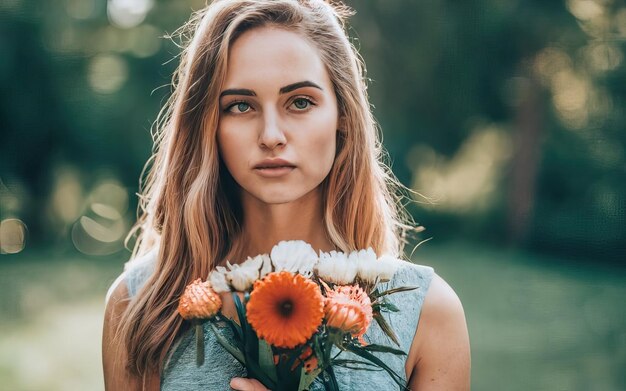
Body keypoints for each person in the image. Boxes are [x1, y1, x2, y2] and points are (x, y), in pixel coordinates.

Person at [102, 0, 470, 390]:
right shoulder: (140, 306)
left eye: (299, 102)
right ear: (207, 124)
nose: (271, 135)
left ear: (342, 114)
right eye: (241, 106)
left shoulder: (428, 314)